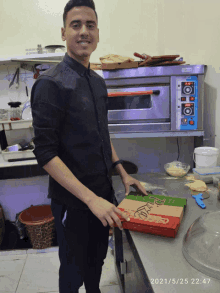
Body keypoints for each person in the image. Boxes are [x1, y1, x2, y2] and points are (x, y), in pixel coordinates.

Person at [31, 0, 148, 292]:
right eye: (76, 25)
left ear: (97, 33)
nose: (84, 31)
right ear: (63, 33)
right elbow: (45, 154)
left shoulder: (97, 82)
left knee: (96, 260)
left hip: (103, 194)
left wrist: (121, 171)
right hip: (74, 202)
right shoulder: (50, 84)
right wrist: (90, 200)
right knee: (72, 271)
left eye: (90, 25)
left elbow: (100, 134)